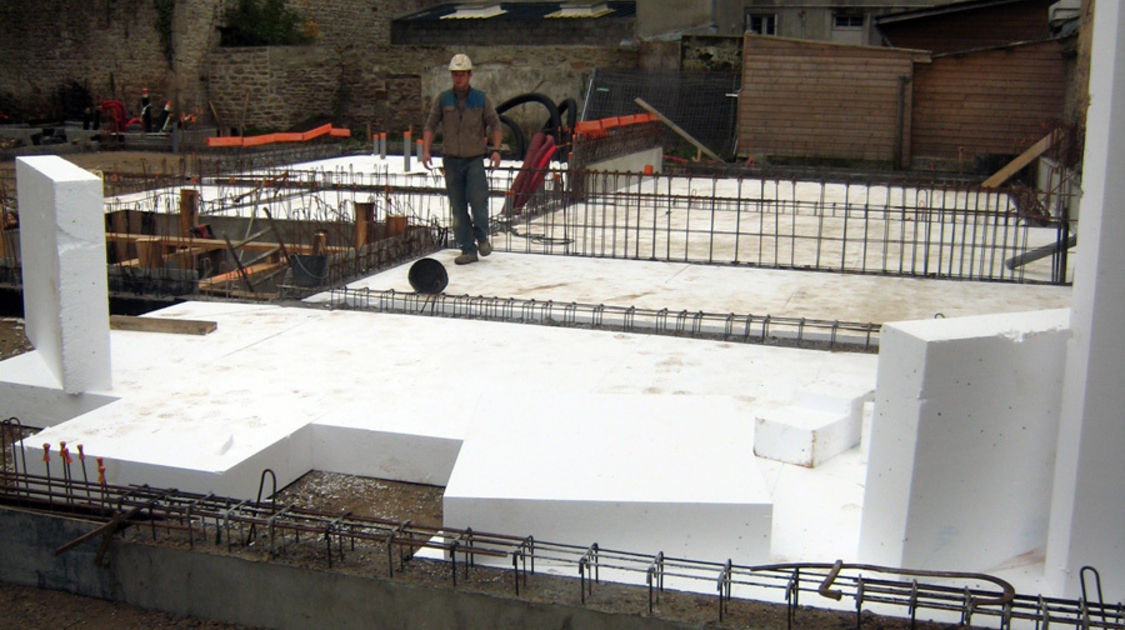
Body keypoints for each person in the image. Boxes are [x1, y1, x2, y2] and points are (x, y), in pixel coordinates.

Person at [422, 53, 503, 265]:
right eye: (455, 75)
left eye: (462, 74)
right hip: (452, 161)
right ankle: (468, 249)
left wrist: (496, 150)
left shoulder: (481, 99)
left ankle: (482, 235)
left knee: (478, 202)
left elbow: (495, 124)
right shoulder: (443, 99)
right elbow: (430, 125)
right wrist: (426, 151)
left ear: (469, 75)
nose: (458, 79)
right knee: (458, 207)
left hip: (474, 159)